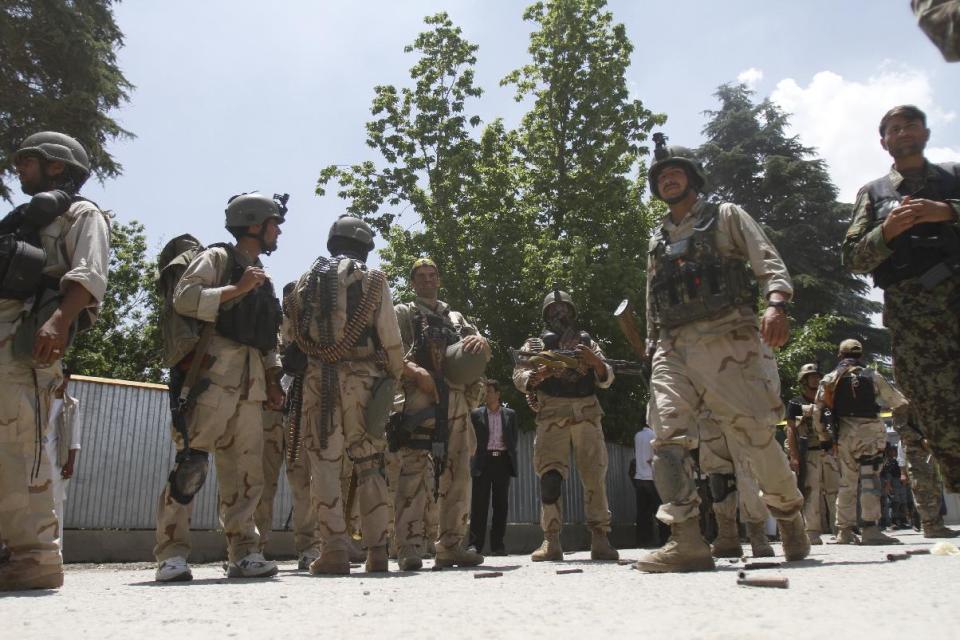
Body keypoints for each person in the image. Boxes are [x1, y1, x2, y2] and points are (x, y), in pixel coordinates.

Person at [635, 139, 807, 573]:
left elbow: (766, 260)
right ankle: (686, 538)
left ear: (691, 176)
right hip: (673, 348)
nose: (666, 179)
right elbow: (653, 297)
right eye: (659, 176)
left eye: (674, 172)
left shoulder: (725, 216)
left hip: (729, 340)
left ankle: (787, 515)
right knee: (667, 439)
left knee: (754, 438)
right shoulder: (657, 239)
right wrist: (652, 344)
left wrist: (776, 304)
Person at [153, 192, 285, 582]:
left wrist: (274, 379)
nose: (278, 231)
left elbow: (266, 335)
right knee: (191, 466)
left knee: (247, 474)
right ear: (254, 224)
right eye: (274, 224)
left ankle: (244, 552)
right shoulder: (218, 259)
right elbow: (186, 298)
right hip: (210, 378)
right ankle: (171, 554)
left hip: (251, 385)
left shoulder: (262, 274)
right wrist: (238, 289)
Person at [0, 132, 110, 591]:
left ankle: (37, 557)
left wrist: (60, 321)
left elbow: (87, 272)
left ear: (57, 167)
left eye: (29, 160)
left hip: (28, 343)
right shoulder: (21, 219)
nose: (19, 168)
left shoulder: (82, 214)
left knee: (21, 447)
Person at [843, 105, 960, 498]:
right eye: (895, 128)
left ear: (925, 133)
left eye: (911, 125)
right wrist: (886, 233)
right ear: (884, 142)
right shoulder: (874, 194)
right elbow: (853, 257)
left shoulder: (953, 177)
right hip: (915, 327)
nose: (904, 132)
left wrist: (945, 211)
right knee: (937, 416)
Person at [283, 216, 404, 575]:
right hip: (364, 380)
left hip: (319, 381)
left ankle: (334, 549)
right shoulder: (373, 278)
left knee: (323, 464)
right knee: (369, 464)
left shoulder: (304, 280)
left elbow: (289, 338)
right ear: (365, 245)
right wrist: (396, 375)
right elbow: (391, 336)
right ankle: (377, 551)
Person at [391, 258, 490, 571]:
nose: (427, 281)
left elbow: (479, 352)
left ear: (439, 279)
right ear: (412, 282)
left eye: (432, 275)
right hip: (418, 397)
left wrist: (483, 341)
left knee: (459, 472)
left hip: (457, 398)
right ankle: (408, 545)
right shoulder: (403, 313)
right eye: (420, 276)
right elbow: (390, 353)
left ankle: (451, 544)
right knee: (413, 471)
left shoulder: (457, 317)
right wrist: (415, 375)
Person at [512, 288, 619, 563]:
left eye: (564, 309)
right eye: (553, 310)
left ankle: (600, 538)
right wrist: (539, 374)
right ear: (546, 315)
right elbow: (519, 376)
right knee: (549, 478)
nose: (559, 314)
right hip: (552, 414)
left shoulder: (587, 342)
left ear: (572, 312)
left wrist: (595, 363)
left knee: (594, 476)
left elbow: (607, 377)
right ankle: (551, 540)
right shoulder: (535, 344)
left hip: (586, 413)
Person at [815, 339, 909, 545]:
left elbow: (818, 411)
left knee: (847, 482)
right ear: (861, 355)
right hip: (870, 436)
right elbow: (899, 402)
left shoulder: (830, 378)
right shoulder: (872, 375)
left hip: (844, 436)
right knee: (869, 479)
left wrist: (824, 438)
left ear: (840, 355)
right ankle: (870, 529)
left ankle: (844, 531)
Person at [254, 405, 320, 570]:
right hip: (267, 407)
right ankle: (252, 547)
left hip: (299, 409)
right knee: (260, 484)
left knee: (304, 484)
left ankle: (309, 547)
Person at [786, 364, 840, 544]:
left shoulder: (827, 401)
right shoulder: (795, 403)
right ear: (804, 380)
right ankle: (812, 532)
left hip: (829, 451)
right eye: (811, 377)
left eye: (817, 376)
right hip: (809, 452)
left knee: (835, 491)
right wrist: (793, 456)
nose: (815, 380)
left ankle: (840, 529)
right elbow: (791, 430)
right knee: (811, 492)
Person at [468, 380, 518, 556]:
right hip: (483, 461)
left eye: (489, 391)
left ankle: (498, 545)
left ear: (497, 394)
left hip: (502, 462)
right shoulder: (476, 414)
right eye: (484, 391)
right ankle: (474, 545)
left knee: (501, 505)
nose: (486, 394)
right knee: (479, 505)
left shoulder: (510, 414)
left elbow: (513, 439)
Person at [45, 368, 81, 547]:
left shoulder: (72, 404)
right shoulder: (42, 398)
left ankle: (55, 548)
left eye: (67, 380)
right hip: (36, 458)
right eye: (62, 379)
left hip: (59, 460)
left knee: (55, 504)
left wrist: (70, 463)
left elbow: (74, 439)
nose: (64, 383)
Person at [632, 423, 668, 548]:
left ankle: (643, 540)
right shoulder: (653, 434)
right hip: (652, 477)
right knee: (659, 509)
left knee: (642, 512)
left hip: (639, 476)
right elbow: (655, 454)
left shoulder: (637, 435)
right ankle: (664, 539)